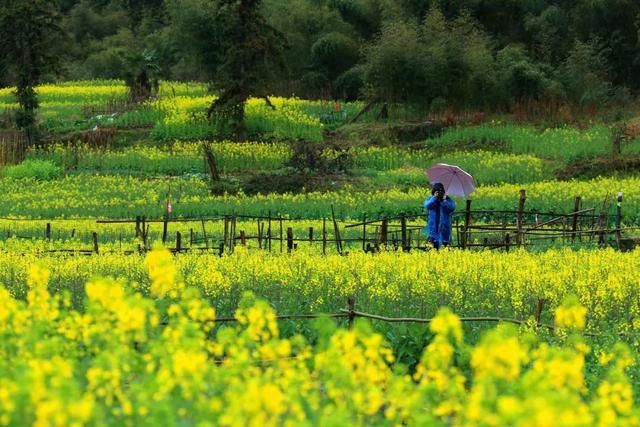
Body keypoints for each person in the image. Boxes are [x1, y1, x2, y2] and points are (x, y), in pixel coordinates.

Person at [423, 182, 456, 249]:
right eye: (437, 192)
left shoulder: (447, 200)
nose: (439, 194)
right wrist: (434, 198)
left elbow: (452, 208)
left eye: (441, 192)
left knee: (445, 246)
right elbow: (427, 206)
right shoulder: (430, 199)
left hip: (444, 228)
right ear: (434, 192)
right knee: (432, 248)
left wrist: (444, 201)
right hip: (433, 228)